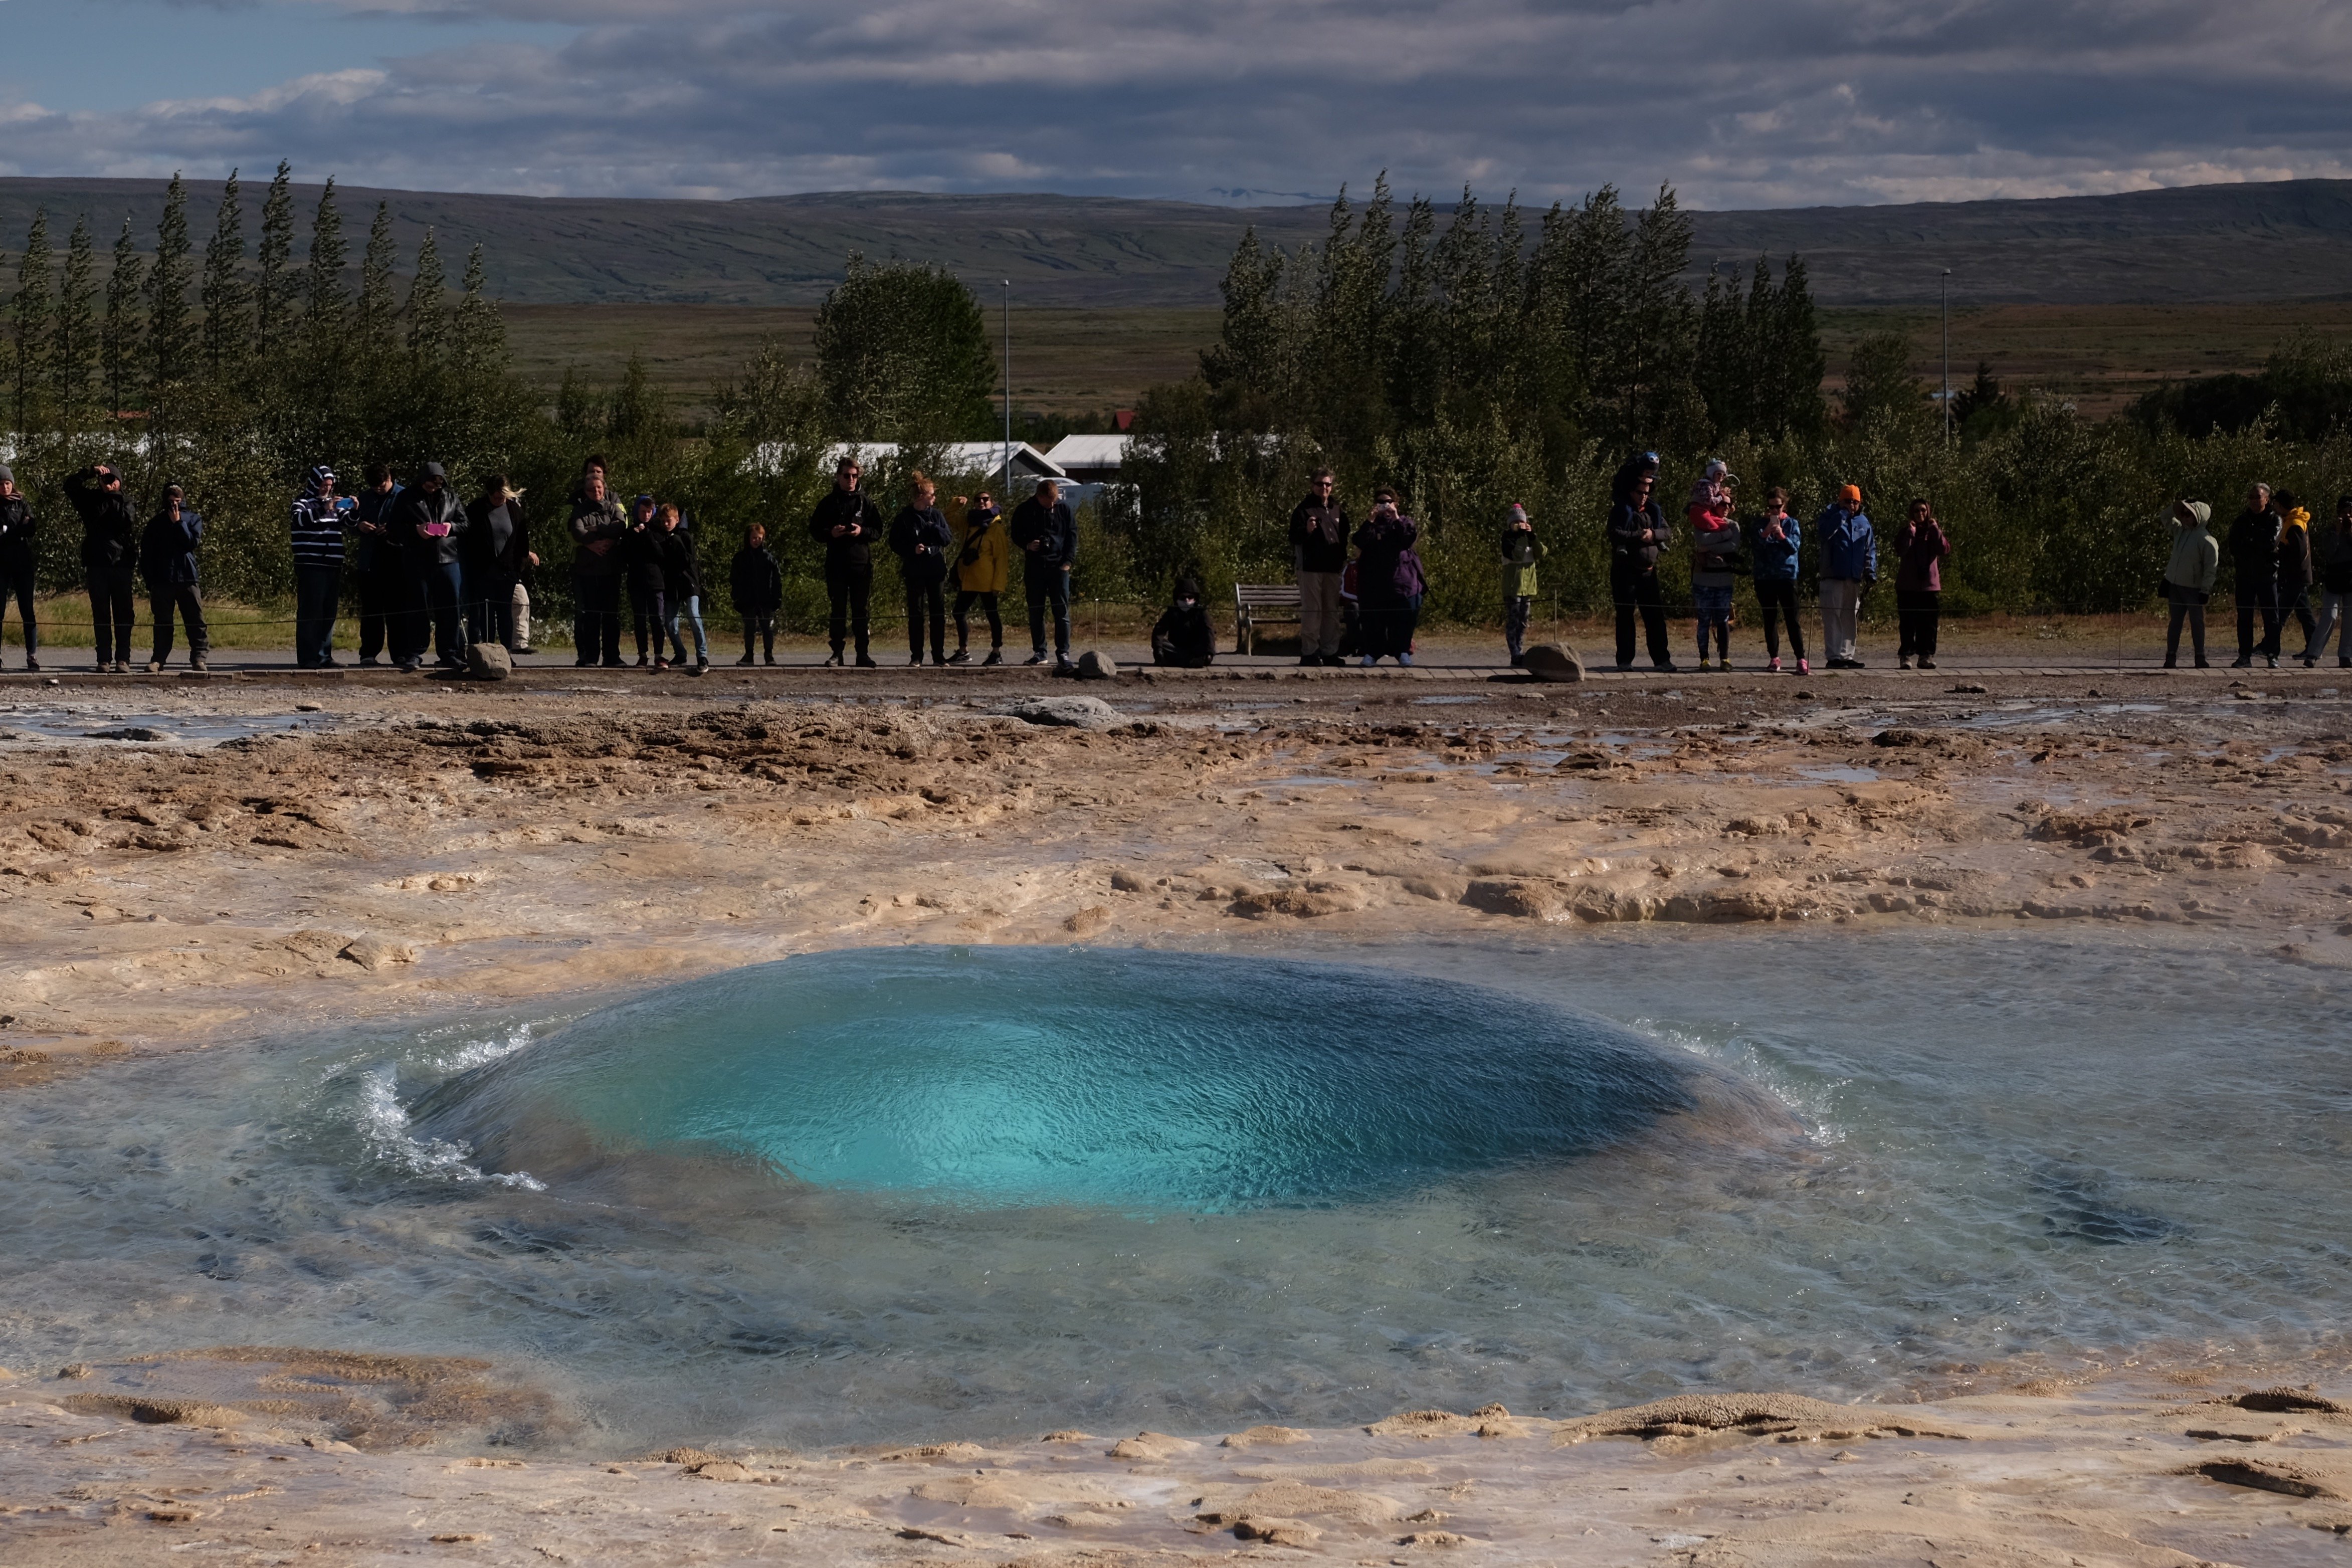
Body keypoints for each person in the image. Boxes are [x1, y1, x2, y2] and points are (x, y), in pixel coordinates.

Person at [63, 462, 139, 672]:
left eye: (112, 480)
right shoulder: (90, 501)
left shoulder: (127, 502)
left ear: (119, 482)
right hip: (97, 564)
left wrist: (113, 495)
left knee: (124, 614)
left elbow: (126, 521)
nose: (108, 484)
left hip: (121, 564)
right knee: (101, 613)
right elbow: (69, 487)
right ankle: (103, 659)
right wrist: (89, 472)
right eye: (105, 480)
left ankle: (123, 658)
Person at [393, 462, 468, 670]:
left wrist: (450, 527)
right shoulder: (406, 498)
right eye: (429, 485)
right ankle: (414, 653)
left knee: (451, 608)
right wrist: (416, 531)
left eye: (437, 486)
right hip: (418, 560)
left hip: (448, 560)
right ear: (422, 481)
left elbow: (465, 524)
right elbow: (393, 528)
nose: (433, 489)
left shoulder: (451, 497)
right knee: (417, 607)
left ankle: (450, 653)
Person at [809, 456, 883, 667]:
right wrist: (831, 533)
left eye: (854, 475)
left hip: (861, 565)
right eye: (847, 475)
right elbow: (815, 530)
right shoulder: (828, 502)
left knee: (861, 610)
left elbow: (878, 531)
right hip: (836, 565)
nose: (851, 479)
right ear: (838, 476)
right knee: (838, 610)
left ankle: (863, 654)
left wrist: (861, 531)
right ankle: (837, 653)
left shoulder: (866, 502)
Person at [1606, 452, 1673, 671]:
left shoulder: (1653, 511)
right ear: (1631, 490)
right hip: (1625, 573)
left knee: (1655, 618)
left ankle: (1662, 660)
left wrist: (1653, 536)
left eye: (1647, 492)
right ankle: (1625, 661)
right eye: (1639, 492)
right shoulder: (1621, 510)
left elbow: (1667, 531)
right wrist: (1638, 536)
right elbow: (1615, 534)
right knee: (1626, 618)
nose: (1643, 496)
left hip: (1649, 573)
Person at [461, 473, 534, 654]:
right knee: (486, 614)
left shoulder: (515, 511)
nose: (500, 501)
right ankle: (487, 652)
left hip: (508, 572)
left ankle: (506, 652)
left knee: (505, 614)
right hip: (483, 572)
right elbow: (467, 542)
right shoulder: (475, 510)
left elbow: (521, 541)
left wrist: (518, 569)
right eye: (496, 498)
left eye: (503, 497)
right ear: (489, 493)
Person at [290, 465, 354, 668]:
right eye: (324, 485)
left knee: (329, 612)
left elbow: (350, 522)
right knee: (311, 611)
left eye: (330, 485)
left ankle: (324, 655)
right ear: (315, 484)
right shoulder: (301, 503)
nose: (327, 489)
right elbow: (298, 520)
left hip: (333, 564)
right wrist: (323, 508)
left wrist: (356, 509)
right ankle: (308, 657)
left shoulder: (335, 505)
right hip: (311, 565)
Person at [1010, 477, 1077, 670]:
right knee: (1035, 612)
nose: (1053, 504)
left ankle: (1063, 653)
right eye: (1050, 502)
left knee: (1061, 612)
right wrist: (1027, 545)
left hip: (1059, 567)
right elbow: (1015, 534)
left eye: (1055, 500)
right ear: (1039, 497)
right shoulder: (1025, 509)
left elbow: (1072, 535)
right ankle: (1040, 652)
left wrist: (1068, 562)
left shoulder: (1063, 509)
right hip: (1035, 567)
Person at [140, 483, 208, 672]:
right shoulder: (156, 523)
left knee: (196, 621)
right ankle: (158, 659)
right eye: (171, 502)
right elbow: (146, 554)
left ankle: (199, 658)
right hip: (163, 579)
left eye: (178, 502)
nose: (174, 506)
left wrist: (179, 523)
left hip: (187, 577)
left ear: (183, 501)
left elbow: (191, 544)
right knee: (162, 623)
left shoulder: (193, 519)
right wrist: (150, 581)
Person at [567, 456, 628, 668]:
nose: (597, 492)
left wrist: (599, 532)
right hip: (588, 571)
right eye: (592, 489)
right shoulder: (579, 509)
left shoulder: (614, 506)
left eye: (599, 488)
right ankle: (591, 657)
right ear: (586, 490)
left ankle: (612, 656)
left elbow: (621, 526)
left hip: (611, 570)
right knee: (591, 616)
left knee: (612, 616)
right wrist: (594, 543)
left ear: (604, 487)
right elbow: (577, 531)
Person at [889, 471, 952, 667]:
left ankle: (939, 655)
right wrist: (912, 550)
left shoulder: (937, 515)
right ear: (921, 497)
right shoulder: (905, 517)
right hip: (915, 570)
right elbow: (894, 543)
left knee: (938, 613)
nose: (934, 498)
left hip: (935, 569)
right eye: (931, 495)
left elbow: (947, 539)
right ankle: (916, 655)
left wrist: (935, 530)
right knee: (916, 613)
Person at [1354, 488, 1421, 667]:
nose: (1385, 505)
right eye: (1381, 502)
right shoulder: (1371, 524)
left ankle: (1403, 652)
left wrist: (1396, 517)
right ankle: (1372, 653)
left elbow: (1409, 538)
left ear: (1395, 503)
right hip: (1374, 582)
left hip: (1401, 581)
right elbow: (1359, 541)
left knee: (1403, 620)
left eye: (1389, 501)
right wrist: (1370, 520)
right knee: (1373, 621)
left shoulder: (1403, 522)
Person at [1291, 470, 1349, 667]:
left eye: (1328, 484)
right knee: (1312, 611)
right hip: (1310, 568)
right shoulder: (1303, 510)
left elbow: (1345, 536)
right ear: (1312, 485)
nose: (1324, 488)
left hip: (1332, 569)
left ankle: (1330, 652)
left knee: (1331, 612)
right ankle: (1309, 652)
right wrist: (1306, 531)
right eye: (1320, 484)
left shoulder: (1337, 509)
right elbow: (1293, 538)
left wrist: (1343, 558)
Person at [1815, 484, 1876, 668]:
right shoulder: (1828, 517)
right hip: (1833, 576)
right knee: (1832, 616)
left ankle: (1847, 656)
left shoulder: (1864, 523)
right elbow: (1824, 534)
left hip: (1854, 577)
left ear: (1860, 503)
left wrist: (1870, 571)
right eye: (1848, 501)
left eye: (1855, 502)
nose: (1851, 505)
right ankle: (1834, 656)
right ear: (1840, 501)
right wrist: (1841, 516)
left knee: (1850, 617)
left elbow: (1870, 549)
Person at [1686, 461, 1740, 671]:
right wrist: (1721, 540)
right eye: (1722, 503)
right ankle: (1704, 659)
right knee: (1704, 621)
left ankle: (1725, 659)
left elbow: (1733, 545)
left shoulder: (1733, 526)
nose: (1725, 508)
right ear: (1714, 503)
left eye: (1728, 505)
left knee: (1723, 620)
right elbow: (1701, 540)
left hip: (1724, 580)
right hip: (1703, 580)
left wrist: (1711, 546)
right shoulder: (1701, 521)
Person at [351, 464, 407, 667]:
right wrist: (360, 527)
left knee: (397, 611)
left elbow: (412, 525)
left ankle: (400, 653)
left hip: (397, 562)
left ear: (390, 477)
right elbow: (350, 522)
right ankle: (368, 654)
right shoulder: (364, 498)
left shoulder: (404, 496)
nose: (378, 490)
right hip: (370, 562)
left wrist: (392, 530)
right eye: (374, 487)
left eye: (381, 486)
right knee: (371, 611)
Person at [1746, 486, 1806, 674]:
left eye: (1778, 507)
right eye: (1771, 507)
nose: (1774, 511)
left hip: (1787, 576)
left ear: (1784, 505)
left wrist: (1781, 536)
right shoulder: (1759, 525)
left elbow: (1794, 548)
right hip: (1765, 578)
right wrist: (1765, 534)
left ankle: (1801, 658)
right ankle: (1774, 657)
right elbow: (1755, 548)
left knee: (1792, 619)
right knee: (1770, 618)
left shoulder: (1792, 524)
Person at [1892, 497, 1951, 671]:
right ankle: (1906, 656)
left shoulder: (1933, 532)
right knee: (1908, 623)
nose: (1920, 514)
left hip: (1929, 586)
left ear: (1928, 512)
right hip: (1907, 586)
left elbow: (1944, 549)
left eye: (1923, 510)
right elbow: (1900, 550)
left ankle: (1926, 655)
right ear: (1912, 513)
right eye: (1917, 511)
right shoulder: (1905, 532)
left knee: (1929, 624)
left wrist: (1935, 530)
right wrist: (1911, 533)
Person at [950, 491, 1008, 665]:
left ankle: (996, 652)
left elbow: (1002, 559)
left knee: (992, 615)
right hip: (969, 578)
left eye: (985, 500)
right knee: (958, 612)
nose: (981, 502)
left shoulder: (996, 528)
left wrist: (999, 584)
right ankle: (963, 651)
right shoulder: (968, 523)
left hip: (988, 582)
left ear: (992, 502)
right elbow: (948, 517)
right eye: (978, 500)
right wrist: (957, 502)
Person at [2227, 482, 2281, 669]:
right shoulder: (2241, 520)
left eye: (2257, 497)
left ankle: (2273, 654)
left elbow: (2271, 543)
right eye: (2251, 497)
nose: (2253, 501)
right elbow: (2233, 545)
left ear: (2267, 498)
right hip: (2245, 575)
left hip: (2267, 575)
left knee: (2271, 617)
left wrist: (2249, 541)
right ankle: (2244, 655)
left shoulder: (2275, 520)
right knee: (2244, 617)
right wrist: (2255, 542)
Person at [2160, 499, 2219, 669]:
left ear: (2199, 516)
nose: (2184, 517)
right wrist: (2177, 507)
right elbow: (2164, 517)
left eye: (2189, 514)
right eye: (2183, 514)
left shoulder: (2208, 541)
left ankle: (2200, 657)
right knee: (2175, 622)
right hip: (2175, 585)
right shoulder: (2180, 531)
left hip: (2194, 589)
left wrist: (2205, 590)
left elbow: (2211, 569)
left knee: (2197, 623)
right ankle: (2170, 657)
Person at [621, 493, 670, 669]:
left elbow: (661, 554)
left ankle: (659, 655)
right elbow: (625, 556)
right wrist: (634, 538)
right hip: (636, 582)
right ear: (637, 511)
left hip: (656, 581)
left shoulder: (658, 532)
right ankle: (642, 655)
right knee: (639, 620)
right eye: (643, 512)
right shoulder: (629, 533)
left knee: (658, 619)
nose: (646, 515)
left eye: (650, 512)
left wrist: (647, 534)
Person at [658, 504, 707, 672]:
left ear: (677, 520)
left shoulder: (685, 536)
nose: (666, 524)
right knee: (670, 624)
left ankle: (702, 656)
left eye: (669, 521)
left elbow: (689, 560)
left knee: (694, 616)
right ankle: (680, 654)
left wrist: (676, 542)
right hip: (672, 585)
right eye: (663, 521)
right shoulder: (661, 538)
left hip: (689, 583)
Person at [0, 465, 38, 670]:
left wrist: (8, 532)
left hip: (23, 564)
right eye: (1, 484)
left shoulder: (22, 504)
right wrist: (17, 530)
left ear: (12, 485)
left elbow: (31, 528)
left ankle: (32, 656)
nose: (5, 487)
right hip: (1, 565)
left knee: (27, 611)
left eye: (7, 483)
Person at [730, 522, 783, 666]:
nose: (757, 541)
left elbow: (777, 579)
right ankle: (749, 655)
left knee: (767, 629)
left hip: (766, 599)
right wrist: (736, 597)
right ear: (748, 538)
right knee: (749, 628)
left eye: (760, 538)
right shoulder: (740, 558)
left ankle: (769, 655)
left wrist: (777, 597)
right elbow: (734, 579)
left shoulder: (769, 559)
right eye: (754, 538)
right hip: (748, 599)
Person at [2275, 489, 2318, 665]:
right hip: (2297, 575)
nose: (2274, 506)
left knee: (2282, 612)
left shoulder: (2295, 524)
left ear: (2282, 504)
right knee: (2305, 614)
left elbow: (2299, 551)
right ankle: (2315, 647)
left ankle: (2268, 644)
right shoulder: (2291, 521)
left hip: (2296, 576)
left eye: (2276, 503)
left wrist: (2281, 553)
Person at [2310, 494, 2352, 669]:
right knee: (2330, 616)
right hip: (2334, 578)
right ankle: (2313, 653)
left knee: (2350, 619)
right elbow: (2329, 554)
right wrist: (2337, 532)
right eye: (2345, 512)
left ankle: (2346, 655)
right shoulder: (2330, 531)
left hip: (2351, 579)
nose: (2348, 516)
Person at [1500, 503, 1544, 667]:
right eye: (1516, 522)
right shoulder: (1507, 540)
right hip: (1513, 588)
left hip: (1528, 587)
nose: (1520, 525)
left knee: (1524, 620)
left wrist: (1533, 537)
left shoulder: (1528, 539)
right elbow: (1517, 555)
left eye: (1522, 522)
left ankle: (1520, 649)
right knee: (1513, 620)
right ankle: (1515, 653)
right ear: (1510, 524)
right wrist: (1520, 537)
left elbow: (1542, 553)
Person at [1151, 575, 1216, 667]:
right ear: (1177, 599)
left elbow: (1209, 632)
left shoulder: (1201, 612)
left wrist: (1210, 653)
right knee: (1162, 643)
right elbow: (1159, 631)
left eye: (1190, 597)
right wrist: (1158, 650)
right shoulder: (1172, 612)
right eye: (1183, 598)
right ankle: (1188, 662)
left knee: (1205, 645)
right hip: (1176, 649)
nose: (1186, 600)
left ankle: (1179, 662)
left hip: (1195, 651)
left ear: (1195, 599)